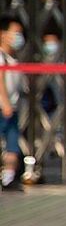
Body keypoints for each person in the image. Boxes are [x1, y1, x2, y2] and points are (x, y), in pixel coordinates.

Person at [0, 14, 25, 191]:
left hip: (12, 108)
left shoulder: (13, 58)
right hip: (3, 107)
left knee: (12, 145)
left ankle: (8, 179)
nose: (18, 37)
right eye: (15, 32)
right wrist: (5, 102)